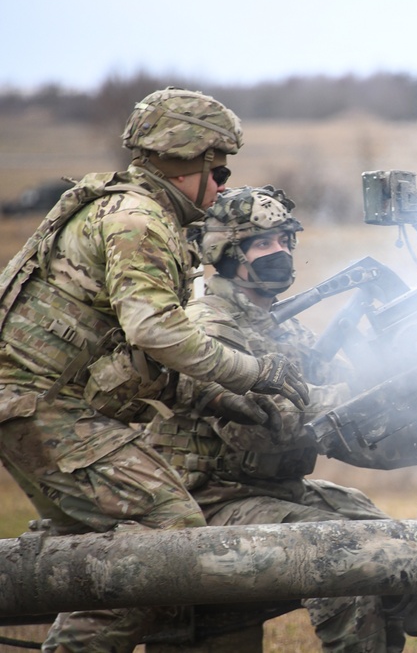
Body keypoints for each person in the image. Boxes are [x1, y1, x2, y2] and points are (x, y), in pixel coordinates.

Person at [0, 88, 310, 653]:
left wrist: (218, 399)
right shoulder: (138, 221)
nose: (221, 187)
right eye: (217, 172)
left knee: (114, 548)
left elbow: (131, 363)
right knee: (170, 538)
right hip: (37, 402)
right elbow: (156, 332)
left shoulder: (120, 208)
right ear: (186, 164)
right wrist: (255, 372)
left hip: (43, 400)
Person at [145, 185, 404, 653]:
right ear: (227, 254)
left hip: (275, 492)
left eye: (285, 240)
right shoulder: (208, 327)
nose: (280, 253)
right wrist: (363, 395)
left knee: (397, 540)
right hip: (209, 502)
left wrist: (402, 378)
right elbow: (259, 428)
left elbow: (346, 397)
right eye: (264, 243)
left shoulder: (277, 324)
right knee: (343, 556)